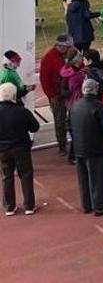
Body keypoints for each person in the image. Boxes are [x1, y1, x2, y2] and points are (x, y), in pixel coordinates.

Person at [69, 79, 103, 216]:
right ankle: (100, 206)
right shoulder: (100, 107)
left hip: (78, 147)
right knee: (98, 178)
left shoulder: (75, 105)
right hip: (95, 147)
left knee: (83, 178)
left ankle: (86, 205)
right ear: (95, 90)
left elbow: (69, 125)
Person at [0, 83, 40, 216]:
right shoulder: (21, 111)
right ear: (14, 95)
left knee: (7, 176)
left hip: (3, 149)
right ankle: (29, 205)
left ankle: (9, 207)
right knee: (26, 174)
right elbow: (35, 127)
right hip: (21, 147)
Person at [40, 35, 73, 154]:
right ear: (59, 46)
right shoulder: (48, 58)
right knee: (60, 121)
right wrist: (52, 95)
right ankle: (62, 145)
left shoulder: (67, 54)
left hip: (69, 92)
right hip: (57, 95)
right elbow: (44, 79)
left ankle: (74, 142)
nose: (68, 49)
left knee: (72, 118)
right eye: (66, 47)